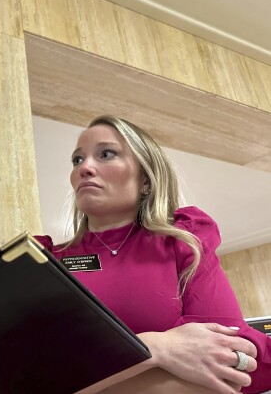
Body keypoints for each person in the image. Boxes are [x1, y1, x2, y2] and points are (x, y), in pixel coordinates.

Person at [34, 115, 271, 393]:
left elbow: (226, 369)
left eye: (106, 154)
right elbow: (20, 376)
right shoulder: (44, 261)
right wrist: (156, 348)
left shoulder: (183, 242)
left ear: (145, 180)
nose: (85, 167)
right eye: (77, 160)